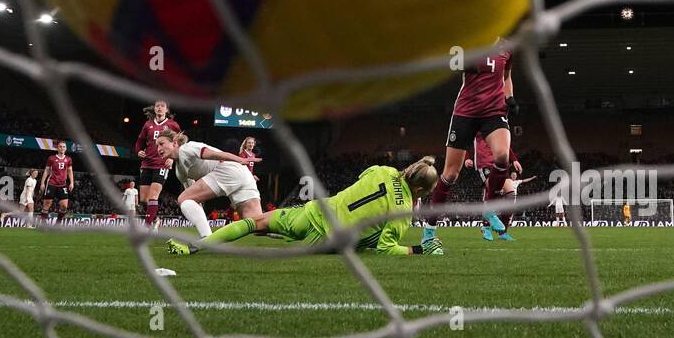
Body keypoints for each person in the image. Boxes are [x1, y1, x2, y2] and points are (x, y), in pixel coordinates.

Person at [168, 157, 444, 257]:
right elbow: (385, 249)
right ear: (420, 190)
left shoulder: (382, 169)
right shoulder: (404, 211)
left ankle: (198, 245)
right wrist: (420, 249)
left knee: (256, 222)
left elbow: (363, 179)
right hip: (329, 242)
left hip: (313, 212)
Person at [428, 38, 518, 239]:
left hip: (494, 112)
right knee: (450, 174)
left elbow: (506, 76)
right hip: (466, 112)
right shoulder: (469, 40)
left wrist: (509, 98)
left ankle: (489, 209)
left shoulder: (508, 47)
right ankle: (429, 231)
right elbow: (451, 62)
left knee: (502, 155)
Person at [151, 130, 261, 239]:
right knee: (258, 224)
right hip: (244, 175)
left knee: (183, 199)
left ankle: (207, 238)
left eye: (161, 144)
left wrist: (239, 159)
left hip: (228, 171)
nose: (158, 149)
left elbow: (216, 154)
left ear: (174, 143)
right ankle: (278, 224)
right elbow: (193, 201)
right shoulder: (180, 171)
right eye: (157, 146)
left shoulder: (187, 148)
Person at [135, 101, 180, 230]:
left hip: (162, 164)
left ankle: (146, 227)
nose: (159, 108)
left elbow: (180, 142)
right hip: (147, 163)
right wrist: (138, 151)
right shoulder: (148, 125)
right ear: (154, 109)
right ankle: (156, 219)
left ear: (167, 110)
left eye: (162, 106)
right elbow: (139, 141)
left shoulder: (172, 125)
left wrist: (173, 158)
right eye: (157, 106)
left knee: (153, 196)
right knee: (144, 199)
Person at [39, 141, 75, 224]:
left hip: (62, 184)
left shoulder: (68, 159)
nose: (62, 148)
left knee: (64, 206)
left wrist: (72, 183)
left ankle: (58, 224)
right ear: (57, 148)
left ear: (66, 148)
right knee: (47, 204)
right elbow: (47, 170)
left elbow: (70, 171)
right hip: (52, 183)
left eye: (63, 146)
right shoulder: (51, 158)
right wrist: (42, 183)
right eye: (60, 146)